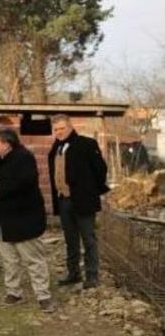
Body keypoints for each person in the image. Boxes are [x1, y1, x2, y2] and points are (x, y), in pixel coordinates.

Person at [0, 128, 56, 313]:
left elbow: (23, 182)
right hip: (4, 222)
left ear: (6, 143)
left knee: (34, 260)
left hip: (24, 221)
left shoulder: (23, 158)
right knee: (10, 260)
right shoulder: (0, 159)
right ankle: (14, 292)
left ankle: (43, 296)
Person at [47, 114, 109, 289]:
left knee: (88, 239)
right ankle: (73, 273)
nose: (59, 132)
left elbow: (100, 170)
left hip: (83, 200)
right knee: (70, 239)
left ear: (70, 127)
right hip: (64, 200)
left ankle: (92, 276)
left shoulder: (86, 144)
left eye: (62, 128)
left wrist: (89, 191)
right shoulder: (56, 147)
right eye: (56, 129)